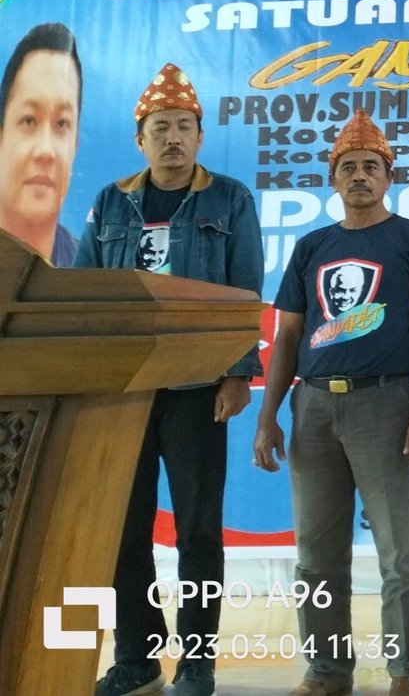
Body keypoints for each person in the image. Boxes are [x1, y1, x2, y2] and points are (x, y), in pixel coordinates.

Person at [77, 63, 264, 696]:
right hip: (122, 392)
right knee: (122, 528)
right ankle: (137, 657)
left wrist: (238, 373)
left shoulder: (230, 199)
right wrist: (88, 381)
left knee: (198, 530)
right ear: (140, 140)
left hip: (197, 387)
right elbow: (87, 295)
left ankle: (197, 661)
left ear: (200, 137)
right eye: (160, 128)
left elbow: (245, 293)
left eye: (184, 126)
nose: (173, 138)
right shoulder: (110, 202)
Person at [253, 108, 409, 696]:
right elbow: (288, 336)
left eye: (370, 166)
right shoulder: (312, 246)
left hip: (384, 404)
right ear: (333, 179)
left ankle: (408, 670)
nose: (359, 175)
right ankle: (327, 670)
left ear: (389, 177)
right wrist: (267, 416)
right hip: (312, 408)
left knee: (398, 552)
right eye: (348, 167)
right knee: (316, 555)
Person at [0, 21, 80, 264]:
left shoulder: (86, 269)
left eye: (62, 124)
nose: (46, 151)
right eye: (29, 121)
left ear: (75, 144)